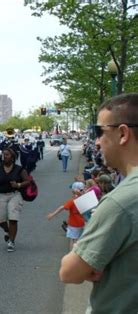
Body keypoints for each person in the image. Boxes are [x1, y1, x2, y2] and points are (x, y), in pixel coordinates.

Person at [59, 93, 138, 313]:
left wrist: (95, 261)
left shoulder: (120, 201)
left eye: (99, 132)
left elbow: (70, 271)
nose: (96, 141)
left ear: (123, 134)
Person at [0, 148, 30, 252]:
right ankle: (8, 231)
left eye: (7, 155)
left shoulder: (19, 169)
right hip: (2, 195)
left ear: (12, 157)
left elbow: (28, 181)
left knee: (13, 218)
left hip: (15, 195)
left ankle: (11, 241)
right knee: (0, 219)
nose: (5, 157)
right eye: (3, 155)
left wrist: (18, 184)